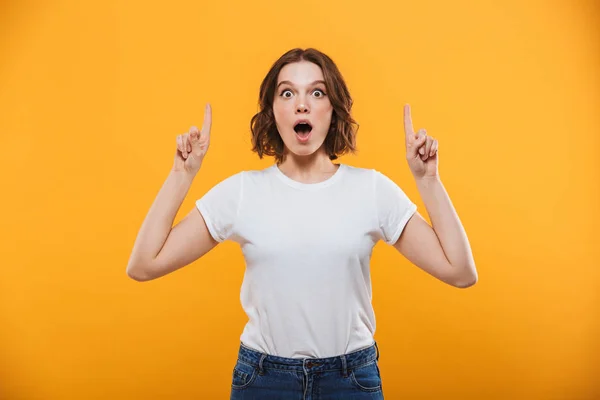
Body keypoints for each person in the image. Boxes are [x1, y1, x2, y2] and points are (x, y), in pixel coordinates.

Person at [126, 48, 478, 399]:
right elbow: (144, 265)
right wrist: (181, 175)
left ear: (332, 109)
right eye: (288, 92)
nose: (302, 104)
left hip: (350, 382)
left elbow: (460, 272)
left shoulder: (370, 189)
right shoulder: (243, 191)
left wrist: (427, 180)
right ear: (273, 111)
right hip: (264, 382)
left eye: (317, 92)